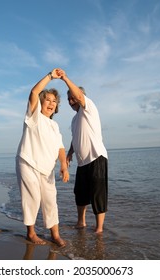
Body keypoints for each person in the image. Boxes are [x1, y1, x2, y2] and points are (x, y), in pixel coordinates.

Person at [16, 69, 69, 247]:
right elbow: (33, 92)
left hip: (47, 169)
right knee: (32, 198)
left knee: (50, 200)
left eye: (54, 101)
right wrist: (50, 76)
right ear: (41, 102)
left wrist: (64, 164)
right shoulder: (34, 116)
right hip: (28, 162)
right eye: (48, 100)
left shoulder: (54, 125)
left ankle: (55, 235)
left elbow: (61, 147)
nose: (51, 103)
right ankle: (31, 233)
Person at [57, 68, 108, 233]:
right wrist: (70, 153)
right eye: (68, 100)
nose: (71, 101)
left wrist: (65, 78)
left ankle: (99, 228)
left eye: (73, 98)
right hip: (82, 162)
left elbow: (79, 95)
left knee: (98, 194)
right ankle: (81, 222)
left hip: (96, 157)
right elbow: (75, 138)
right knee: (79, 194)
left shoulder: (89, 107)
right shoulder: (74, 120)